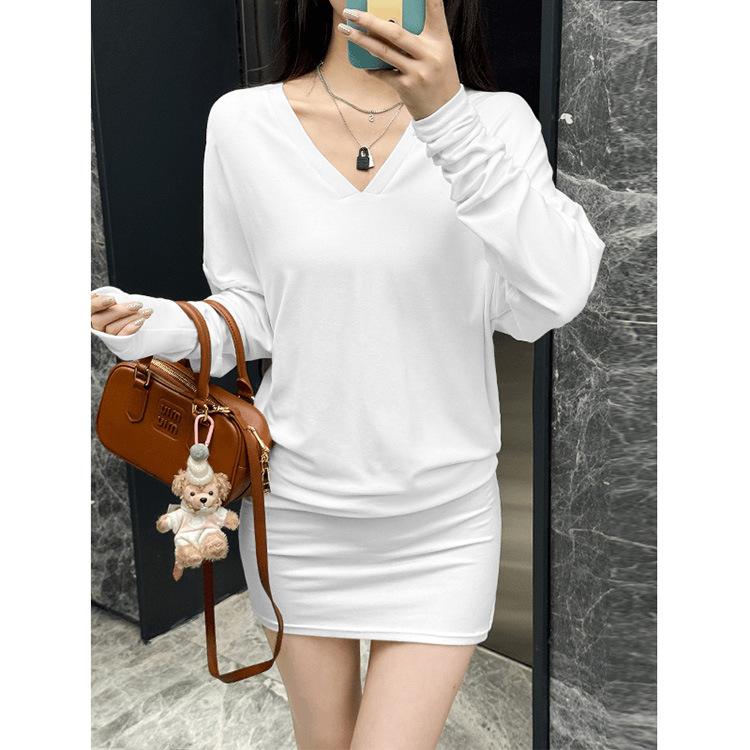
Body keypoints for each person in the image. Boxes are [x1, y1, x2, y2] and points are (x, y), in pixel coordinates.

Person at [90, 2, 606, 748]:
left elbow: (557, 291)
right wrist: (159, 325)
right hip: (297, 515)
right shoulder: (242, 123)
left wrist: (447, 120)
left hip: (443, 524)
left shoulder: (496, 124)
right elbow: (258, 309)